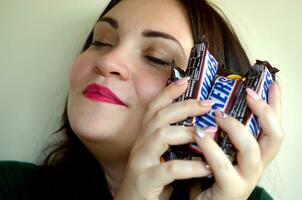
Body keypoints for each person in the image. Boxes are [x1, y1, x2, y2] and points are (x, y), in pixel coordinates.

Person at [0, 0, 284, 199]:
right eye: (101, 41)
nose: (109, 60)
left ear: (217, 98)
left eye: (156, 58)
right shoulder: (9, 186)